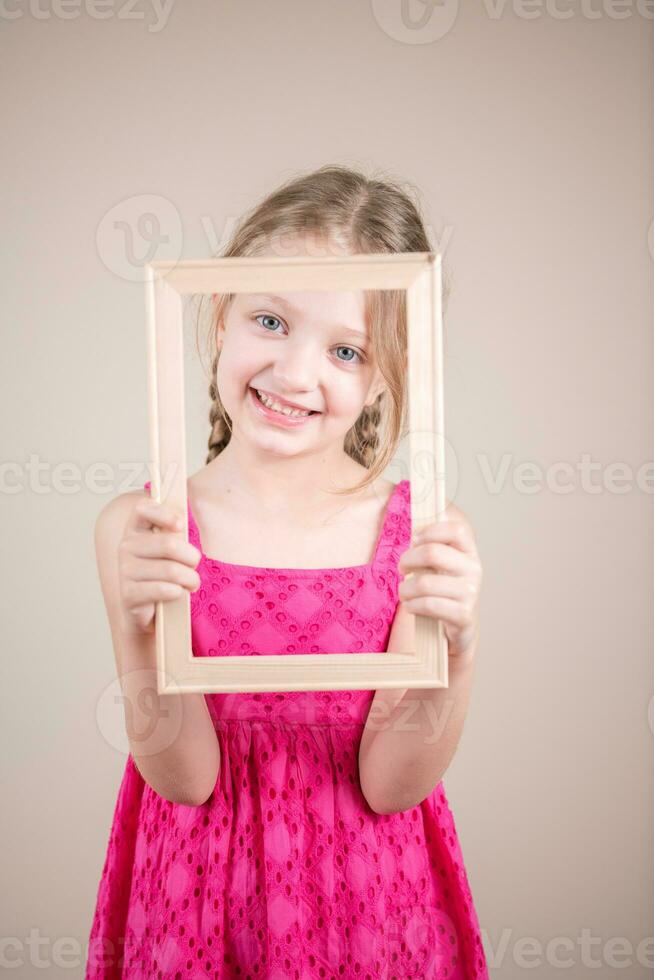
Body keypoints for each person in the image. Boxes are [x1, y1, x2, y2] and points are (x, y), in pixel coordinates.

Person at [85, 164, 488, 979]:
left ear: (382, 381)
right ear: (220, 320)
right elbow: (185, 777)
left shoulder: (421, 539)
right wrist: (138, 632)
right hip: (197, 892)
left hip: (371, 897)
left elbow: (391, 785)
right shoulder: (147, 528)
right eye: (271, 320)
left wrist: (458, 655)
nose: (296, 373)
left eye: (346, 350)